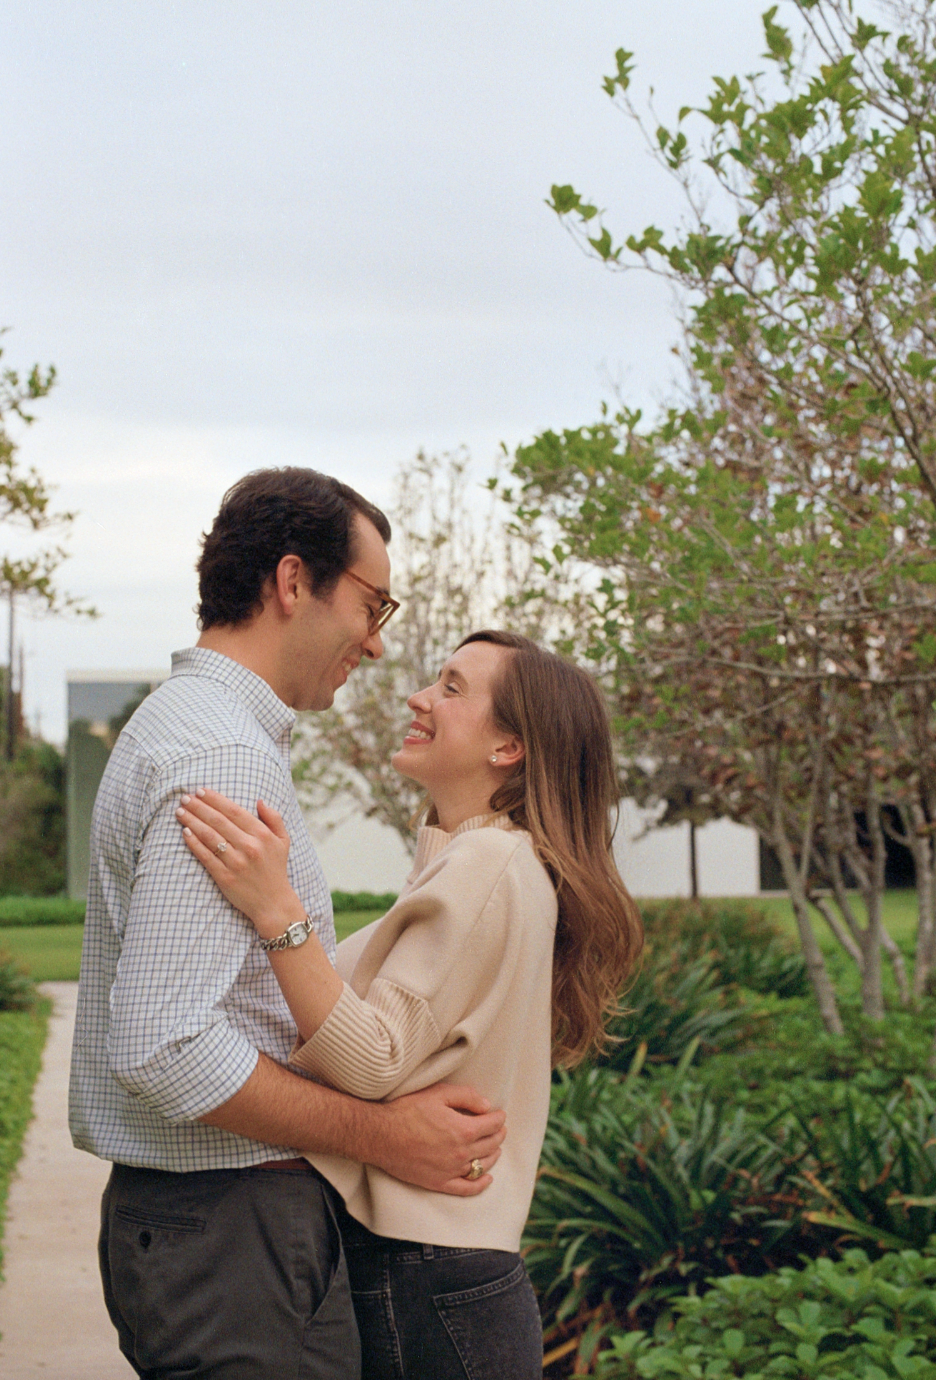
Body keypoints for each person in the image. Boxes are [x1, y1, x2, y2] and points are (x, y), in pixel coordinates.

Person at [69, 468, 507, 1380]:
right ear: (293, 581)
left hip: (213, 1232)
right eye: (373, 606)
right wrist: (383, 1135)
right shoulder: (224, 751)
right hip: (231, 1237)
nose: (378, 646)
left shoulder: (192, 727)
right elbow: (164, 1042)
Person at [176, 628, 643, 1378]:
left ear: (508, 748)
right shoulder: (484, 861)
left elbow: (372, 1059)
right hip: (450, 1277)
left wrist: (275, 911)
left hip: (430, 1274)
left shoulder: (488, 865)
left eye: (453, 688)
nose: (418, 697)